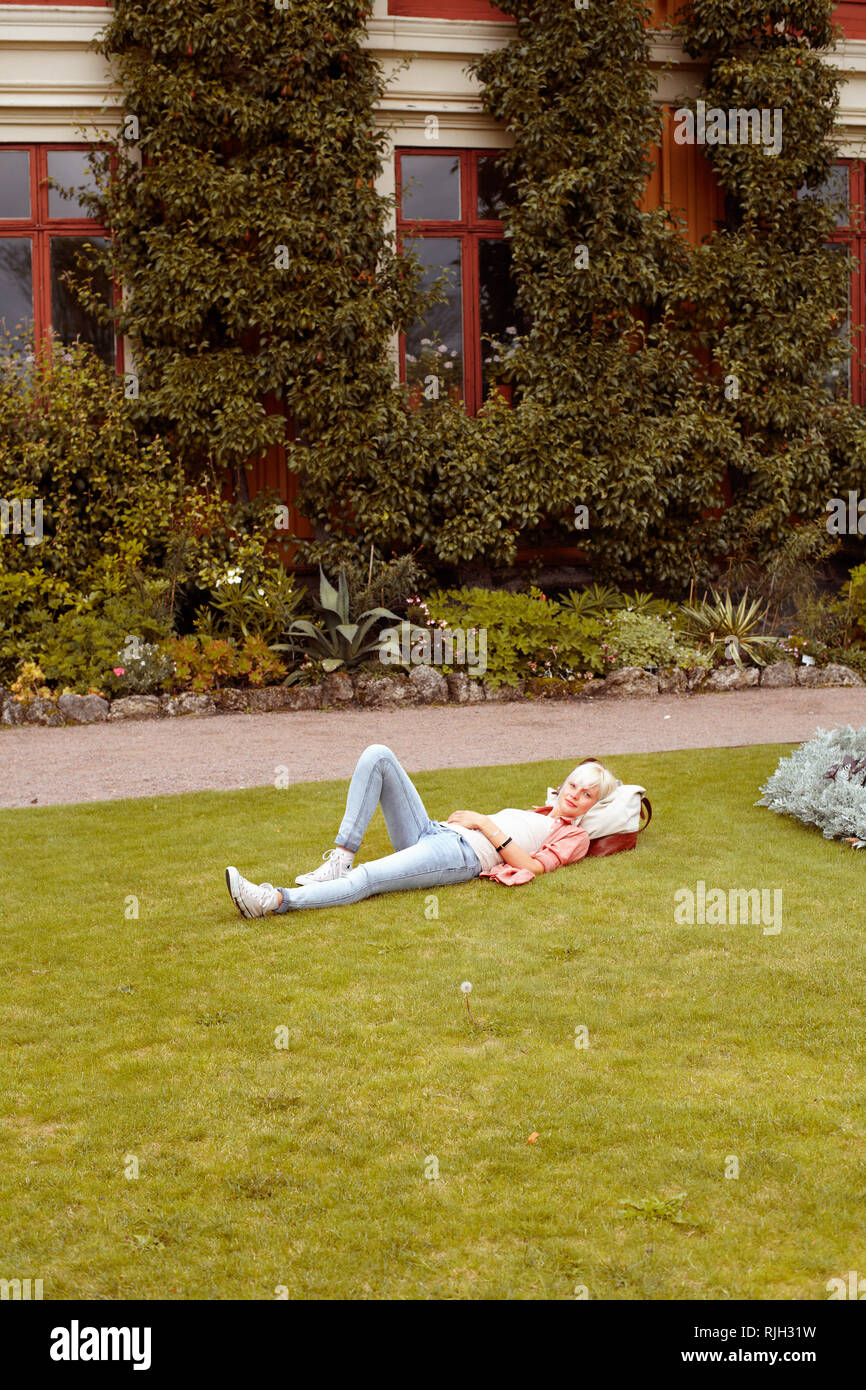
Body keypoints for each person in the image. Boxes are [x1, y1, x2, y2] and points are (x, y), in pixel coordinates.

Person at [225, 743, 619, 919]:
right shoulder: (541, 811)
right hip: (435, 832)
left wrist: (485, 823)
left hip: (459, 856)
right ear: (563, 784)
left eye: (587, 794)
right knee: (379, 755)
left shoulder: (574, 836)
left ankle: (273, 900)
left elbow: (533, 867)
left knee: (369, 878)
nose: (575, 796)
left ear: (593, 804)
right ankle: (340, 858)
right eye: (573, 786)